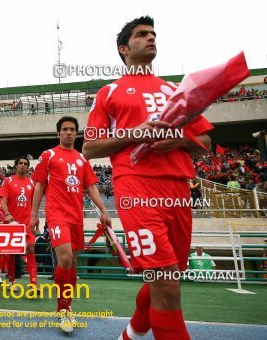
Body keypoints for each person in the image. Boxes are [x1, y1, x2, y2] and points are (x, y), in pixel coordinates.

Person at [82, 16, 213, 340]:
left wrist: (180, 140)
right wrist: (133, 134)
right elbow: (90, 147)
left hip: (179, 188)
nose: (151, 37)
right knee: (166, 280)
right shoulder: (109, 92)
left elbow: (206, 143)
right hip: (136, 187)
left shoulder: (175, 90)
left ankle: (130, 335)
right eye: (142, 34)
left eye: (153, 33)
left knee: (165, 278)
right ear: (124, 48)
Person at [30, 116, 112, 334]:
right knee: (65, 257)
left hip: (76, 217)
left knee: (72, 263)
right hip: (57, 215)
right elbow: (38, 186)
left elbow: (92, 187)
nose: (68, 132)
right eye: (65, 129)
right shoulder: (48, 155)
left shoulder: (82, 159)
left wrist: (104, 212)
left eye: (72, 129)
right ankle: (63, 309)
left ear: (76, 134)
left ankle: (67, 305)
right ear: (58, 133)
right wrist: (34, 214)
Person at [0, 156, 38, 290]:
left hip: (27, 223)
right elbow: (3, 201)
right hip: (12, 223)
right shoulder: (8, 181)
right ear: (16, 166)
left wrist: (36, 219)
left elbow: (34, 204)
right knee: (12, 253)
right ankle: (11, 282)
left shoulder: (32, 183)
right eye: (20, 163)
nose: (23, 165)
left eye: (25, 164)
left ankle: (33, 283)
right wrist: (7, 214)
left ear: (28, 167)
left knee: (31, 248)